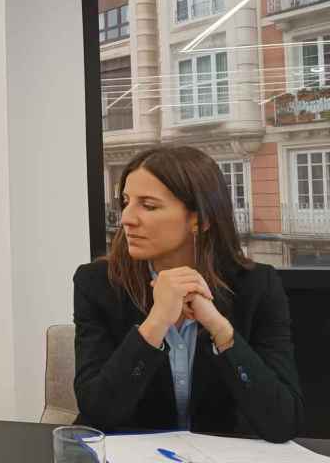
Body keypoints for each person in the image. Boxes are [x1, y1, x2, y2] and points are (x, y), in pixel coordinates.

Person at [73, 146, 303, 442]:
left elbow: (284, 421)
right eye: (127, 202)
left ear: (200, 219)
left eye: (149, 205)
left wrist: (221, 330)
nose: (127, 219)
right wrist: (155, 324)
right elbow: (97, 415)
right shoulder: (98, 284)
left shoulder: (256, 286)